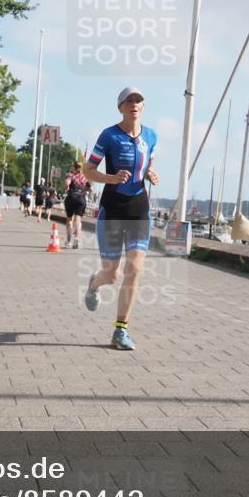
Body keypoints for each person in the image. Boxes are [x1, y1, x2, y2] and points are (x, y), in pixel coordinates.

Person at [81, 86, 158, 351]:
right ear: (121, 107)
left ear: (143, 107)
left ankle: (120, 331)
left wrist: (151, 175)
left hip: (139, 210)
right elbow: (88, 170)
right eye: (129, 101)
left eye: (139, 100)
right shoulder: (109, 135)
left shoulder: (151, 136)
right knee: (112, 275)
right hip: (112, 210)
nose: (134, 104)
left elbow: (147, 165)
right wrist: (110, 178)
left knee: (135, 269)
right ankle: (94, 284)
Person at [63, 161, 90, 249]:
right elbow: (91, 189)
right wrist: (85, 191)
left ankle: (68, 241)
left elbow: (67, 183)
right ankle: (77, 238)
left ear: (74, 167)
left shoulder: (70, 175)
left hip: (71, 197)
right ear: (81, 167)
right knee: (78, 220)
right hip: (81, 199)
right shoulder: (84, 176)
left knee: (69, 219)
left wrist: (67, 187)